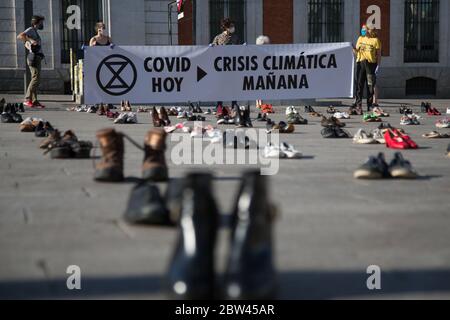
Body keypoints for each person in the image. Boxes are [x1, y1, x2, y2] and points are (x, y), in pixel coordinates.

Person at [211, 18, 240, 112]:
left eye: (233, 26)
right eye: (231, 26)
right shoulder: (218, 38)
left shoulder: (236, 37)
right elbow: (213, 51)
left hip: (232, 67)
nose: (233, 28)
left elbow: (239, 50)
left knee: (233, 88)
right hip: (221, 68)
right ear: (226, 27)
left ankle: (234, 108)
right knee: (220, 88)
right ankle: (219, 109)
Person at [17, 15, 46, 108]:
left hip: (37, 57)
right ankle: (27, 99)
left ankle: (34, 101)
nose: (42, 24)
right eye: (41, 22)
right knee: (35, 78)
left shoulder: (35, 32)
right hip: (33, 58)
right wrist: (30, 40)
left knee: (36, 79)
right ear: (37, 22)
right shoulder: (30, 29)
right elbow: (20, 36)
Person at [355, 24, 381, 111]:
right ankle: (359, 105)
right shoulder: (360, 38)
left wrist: (378, 65)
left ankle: (369, 105)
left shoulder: (375, 40)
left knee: (370, 85)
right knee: (359, 84)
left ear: (369, 30)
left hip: (371, 64)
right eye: (362, 29)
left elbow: (379, 54)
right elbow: (356, 51)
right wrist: (353, 49)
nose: (363, 30)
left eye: (364, 29)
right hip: (361, 63)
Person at [255, 35, 271, 109]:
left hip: (263, 71)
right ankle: (258, 102)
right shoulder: (257, 51)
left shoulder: (266, 51)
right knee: (258, 86)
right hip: (258, 71)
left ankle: (260, 102)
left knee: (262, 86)